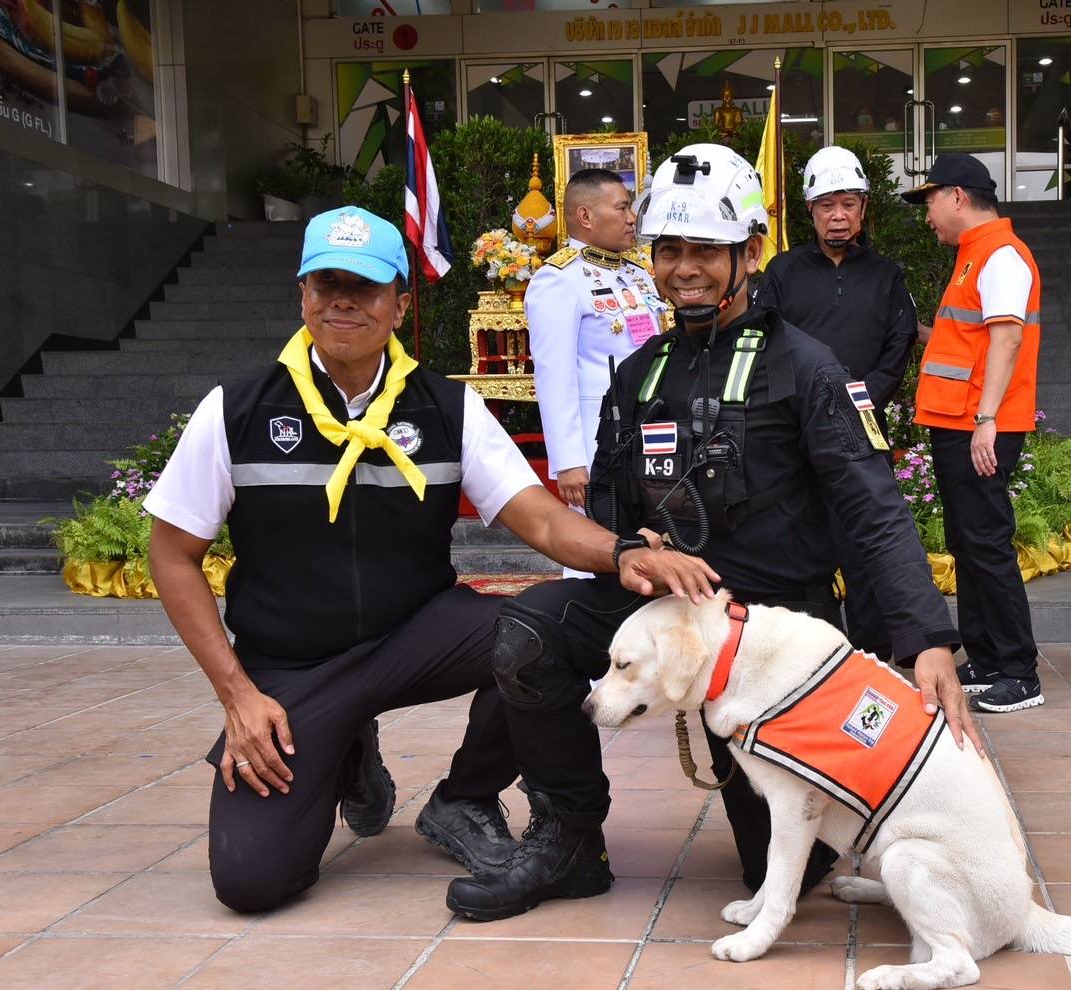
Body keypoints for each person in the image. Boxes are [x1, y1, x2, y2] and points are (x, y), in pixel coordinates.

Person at [444, 143, 977, 923]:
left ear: (749, 252)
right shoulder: (640, 374)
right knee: (531, 631)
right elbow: (613, 519)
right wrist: (633, 556)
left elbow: (873, 507)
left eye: (704, 249)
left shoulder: (808, 368)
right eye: (668, 249)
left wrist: (925, 638)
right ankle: (568, 839)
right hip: (671, 604)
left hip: (771, 629)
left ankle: (830, 821)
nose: (683, 268)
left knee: (781, 862)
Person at [143, 206, 717, 913]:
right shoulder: (235, 410)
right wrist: (238, 695)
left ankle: (464, 797)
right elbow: (172, 555)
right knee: (251, 881)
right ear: (302, 296)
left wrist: (622, 551)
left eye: (365, 287)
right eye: (326, 285)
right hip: (292, 666)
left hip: (418, 634)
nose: (343, 302)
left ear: (400, 305)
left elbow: (537, 516)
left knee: (544, 635)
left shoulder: (447, 407)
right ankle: (347, 750)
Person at [755, 145, 917, 660]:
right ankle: (810, 656)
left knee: (867, 539)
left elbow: (900, 342)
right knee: (799, 540)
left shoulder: (887, 275)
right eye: (827, 205)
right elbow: (764, 340)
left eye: (848, 203)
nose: (838, 215)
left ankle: (873, 653)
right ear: (811, 210)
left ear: (864, 208)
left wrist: (864, 396)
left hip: (863, 422)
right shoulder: (782, 271)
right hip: (794, 428)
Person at [903, 154, 1044, 714]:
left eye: (930, 201)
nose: (927, 215)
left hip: (979, 424)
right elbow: (967, 340)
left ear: (957, 197)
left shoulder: (1000, 254)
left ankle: (1020, 671)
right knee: (969, 543)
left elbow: (1007, 339)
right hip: (959, 421)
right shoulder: (974, 255)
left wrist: (986, 421)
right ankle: (986, 658)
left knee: (986, 543)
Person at [525, 167, 665, 524]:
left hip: (652, 429)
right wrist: (569, 461)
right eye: (622, 208)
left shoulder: (638, 273)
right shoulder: (559, 280)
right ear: (586, 216)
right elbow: (554, 377)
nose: (632, 218)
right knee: (603, 538)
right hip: (599, 439)